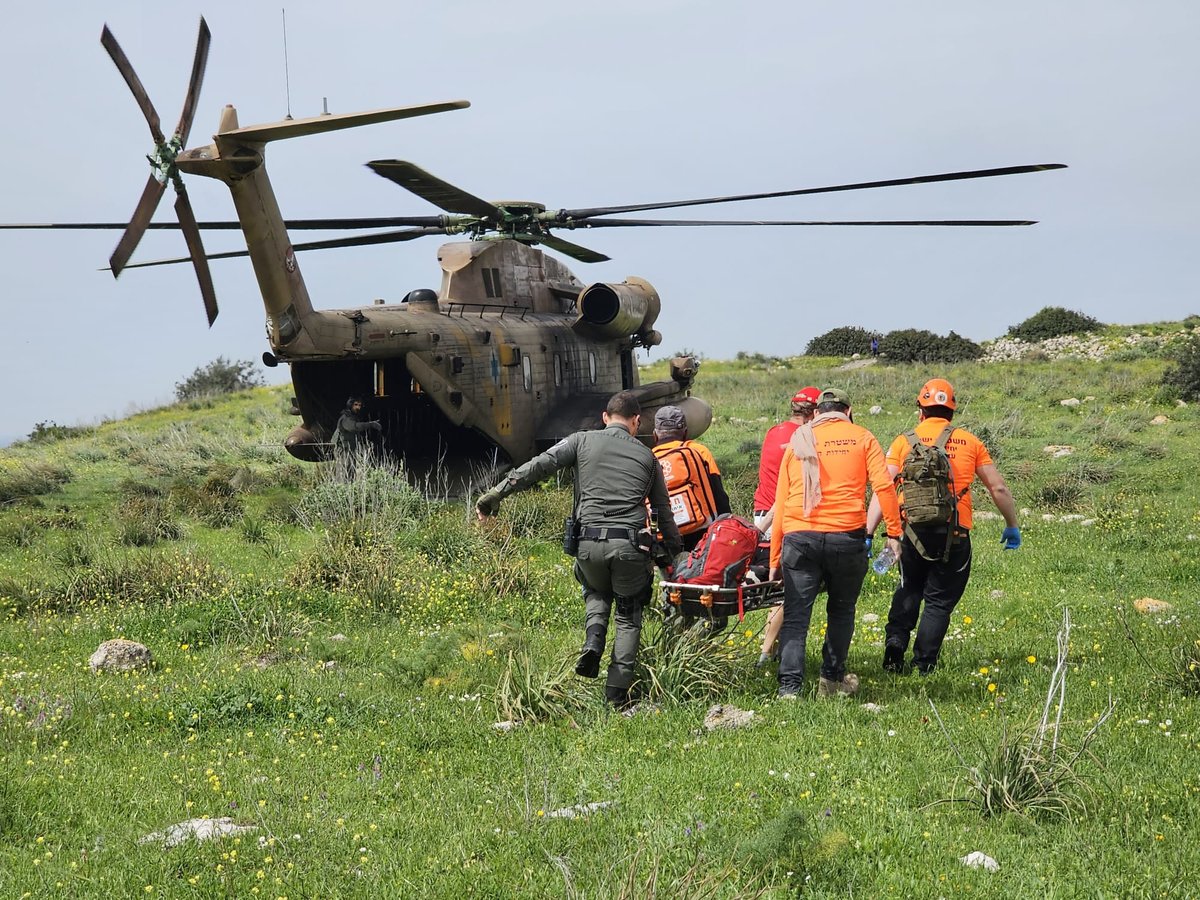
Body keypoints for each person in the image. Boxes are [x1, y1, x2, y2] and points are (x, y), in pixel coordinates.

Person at [476, 391, 682, 708]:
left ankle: (593, 644)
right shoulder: (647, 457)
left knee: (596, 588)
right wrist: (673, 552)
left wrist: (494, 495)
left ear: (605, 417)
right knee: (628, 618)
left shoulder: (580, 441)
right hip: (629, 548)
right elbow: (664, 514)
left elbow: (537, 467)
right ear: (637, 421)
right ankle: (616, 697)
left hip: (587, 546)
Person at [866, 378, 1021, 675]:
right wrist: (1011, 524)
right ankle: (924, 665)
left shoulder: (903, 441)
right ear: (952, 410)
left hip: (911, 532)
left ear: (921, 410)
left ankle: (894, 650)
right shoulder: (970, 442)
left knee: (909, 588)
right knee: (938, 602)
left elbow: (883, 489)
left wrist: (868, 532)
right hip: (955, 535)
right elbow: (998, 488)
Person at [768, 388, 902, 698]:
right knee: (841, 611)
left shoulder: (799, 440)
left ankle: (789, 689)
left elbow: (781, 501)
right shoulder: (862, 437)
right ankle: (830, 681)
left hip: (800, 537)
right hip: (846, 537)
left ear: (816, 413)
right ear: (849, 410)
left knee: (797, 614)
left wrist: (775, 560)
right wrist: (893, 534)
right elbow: (885, 487)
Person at [752, 387, 819, 667]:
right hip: (780, 515)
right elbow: (792, 487)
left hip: (760, 511)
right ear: (814, 413)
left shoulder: (773, 431)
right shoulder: (803, 439)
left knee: (776, 585)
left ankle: (774, 650)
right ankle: (766, 655)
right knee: (786, 589)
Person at [651, 405, 731, 552]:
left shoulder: (648, 459)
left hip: (665, 537)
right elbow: (718, 493)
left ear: (655, 435)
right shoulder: (698, 451)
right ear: (685, 432)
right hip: (701, 534)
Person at [333, 396, 381, 479]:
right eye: (356, 405)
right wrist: (371, 424)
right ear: (350, 405)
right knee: (343, 475)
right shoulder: (346, 418)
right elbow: (354, 427)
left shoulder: (352, 417)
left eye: (360, 405)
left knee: (351, 474)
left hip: (350, 449)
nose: (358, 407)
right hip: (344, 450)